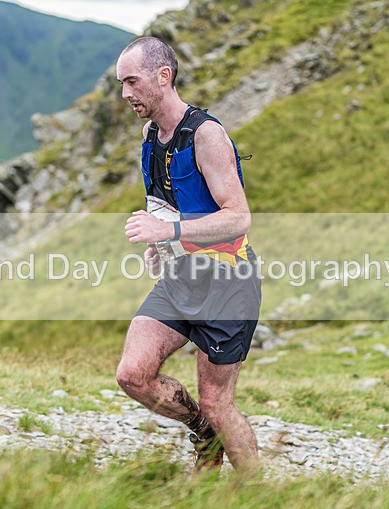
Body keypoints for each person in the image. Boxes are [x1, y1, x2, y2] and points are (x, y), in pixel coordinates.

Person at [115, 37, 262, 476]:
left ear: (164, 76)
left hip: (227, 283)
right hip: (180, 277)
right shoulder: (149, 136)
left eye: (132, 82)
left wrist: (169, 230)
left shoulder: (207, 135)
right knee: (132, 375)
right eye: (121, 83)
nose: (125, 94)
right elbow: (165, 200)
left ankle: (257, 498)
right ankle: (202, 433)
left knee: (219, 403)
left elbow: (238, 218)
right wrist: (162, 245)